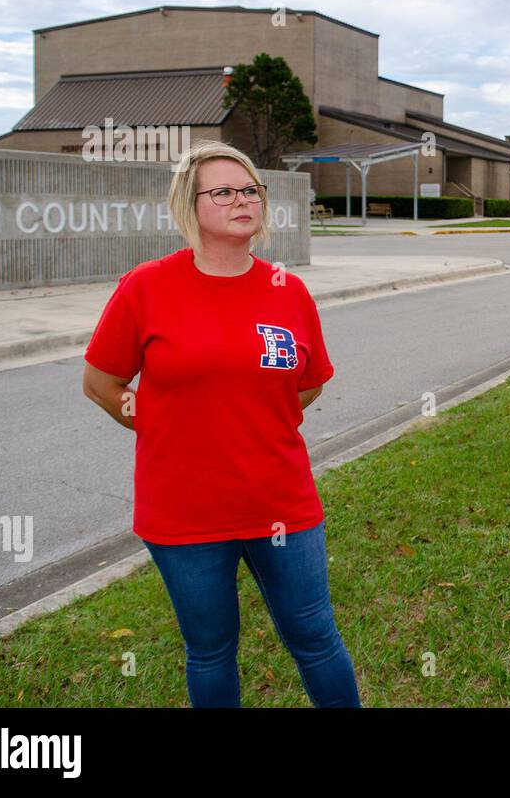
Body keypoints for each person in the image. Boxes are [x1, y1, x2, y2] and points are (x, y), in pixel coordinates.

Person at [82, 139, 360, 708]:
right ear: (191, 204)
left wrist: (252, 419)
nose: (243, 200)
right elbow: (101, 383)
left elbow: (310, 381)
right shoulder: (148, 286)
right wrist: (163, 424)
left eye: (251, 190)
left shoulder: (289, 289)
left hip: (281, 501)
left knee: (314, 637)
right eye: (224, 191)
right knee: (210, 649)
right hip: (183, 508)